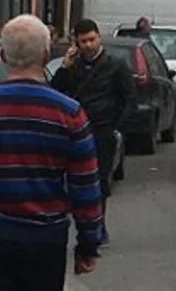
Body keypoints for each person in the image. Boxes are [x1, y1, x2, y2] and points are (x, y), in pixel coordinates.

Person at [0, 15, 104, 289]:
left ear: (2, 56)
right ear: (46, 55)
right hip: (45, 236)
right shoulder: (69, 113)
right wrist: (88, 244)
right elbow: (86, 186)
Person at [50, 18, 135, 247]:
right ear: (76, 42)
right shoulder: (73, 66)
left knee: (99, 181)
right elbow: (54, 92)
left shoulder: (116, 65)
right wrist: (65, 68)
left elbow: (129, 98)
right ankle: (79, 225)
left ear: (99, 37)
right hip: (75, 130)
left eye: (92, 39)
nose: (88, 45)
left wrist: (118, 127)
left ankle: (98, 226)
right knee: (72, 180)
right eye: (83, 41)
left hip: (103, 130)